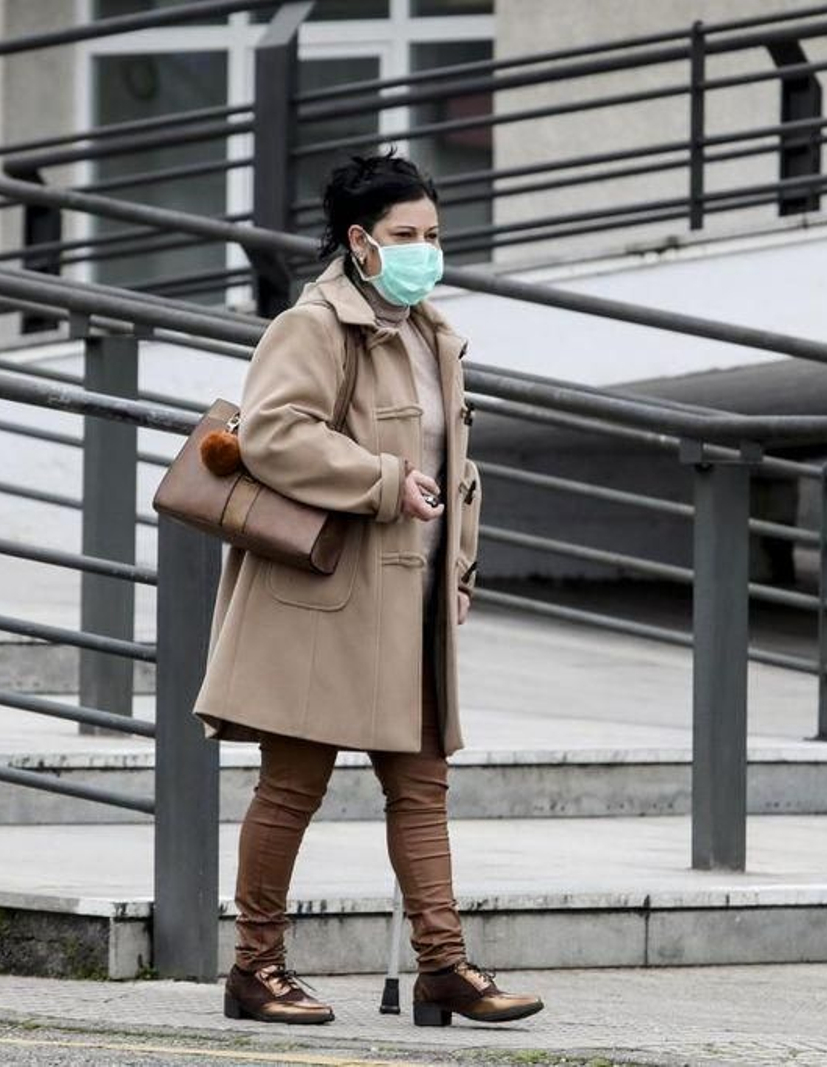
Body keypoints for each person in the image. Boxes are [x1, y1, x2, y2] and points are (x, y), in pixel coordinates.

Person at [194, 153, 543, 1027]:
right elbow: (273, 433)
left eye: (433, 234)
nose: (425, 250)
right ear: (360, 242)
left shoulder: (433, 333)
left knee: (422, 785)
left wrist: (459, 568)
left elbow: (456, 468)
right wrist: (382, 481)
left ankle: (443, 967)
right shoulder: (313, 326)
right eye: (405, 236)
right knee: (292, 786)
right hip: (327, 597)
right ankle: (254, 968)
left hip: (413, 596)